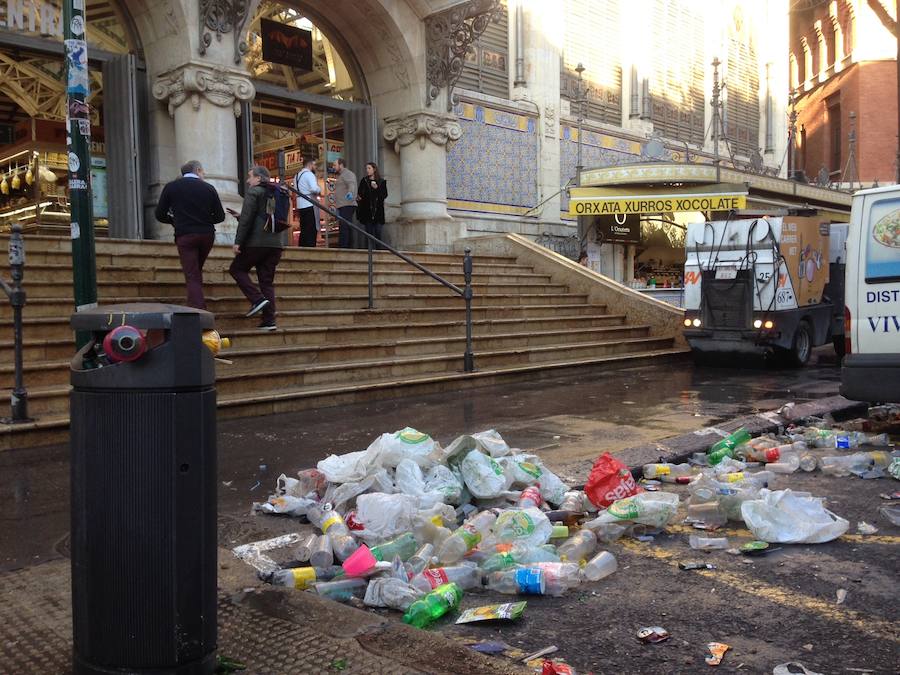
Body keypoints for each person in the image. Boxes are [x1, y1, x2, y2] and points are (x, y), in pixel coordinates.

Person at [154, 160, 225, 309]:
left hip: (185, 234)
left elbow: (160, 214)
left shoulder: (171, 187)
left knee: (192, 273)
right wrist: (205, 220)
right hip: (206, 235)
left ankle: (198, 309)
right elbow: (220, 216)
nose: (203, 174)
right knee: (195, 270)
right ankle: (195, 303)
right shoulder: (209, 188)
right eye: (203, 171)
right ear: (198, 170)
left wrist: (174, 221)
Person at [229, 166, 285, 331]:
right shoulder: (276, 193)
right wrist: (241, 216)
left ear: (259, 178)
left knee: (236, 269)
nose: (247, 180)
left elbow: (247, 219)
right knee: (266, 282)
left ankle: (257, 299)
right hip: (275, 244)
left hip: (256, 243)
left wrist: (238, 241)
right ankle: (269, 320)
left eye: (250, 177)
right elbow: (265, 217)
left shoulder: (254, 192)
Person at [356, 162, 388, 249]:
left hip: (378, 212)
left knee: (378, 233)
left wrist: (377, 188)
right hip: (367, 212)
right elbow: (360, 194)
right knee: (369, 234)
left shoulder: (382, 182)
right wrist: (359, 197)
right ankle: (369, 254)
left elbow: (384, 195)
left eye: (369, 168)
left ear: (374, 169)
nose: (367, 170)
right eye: (366, 168)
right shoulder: (364, 181)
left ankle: (379, 253)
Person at [331, 158, 357, 248]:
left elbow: (351, 184)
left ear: (341, 165)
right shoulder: (342, 175)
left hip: (347, 204)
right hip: (343, 205)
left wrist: (350, 193)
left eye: (335, 165)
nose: (333, 167)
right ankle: (348, 246)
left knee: (344, 226)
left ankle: (344, 247)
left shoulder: (347, 173)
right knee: (346, 226)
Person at [294, 158, 320, 247]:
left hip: (300, 205)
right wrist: (318, 189)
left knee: (304, 230)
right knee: (311, 229)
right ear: (310, 165)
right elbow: (314, 188)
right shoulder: (309, 174)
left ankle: (302, 249)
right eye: (314, 165)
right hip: (309, 204)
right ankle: (310, 250)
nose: (315, 167)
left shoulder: (296, 175)